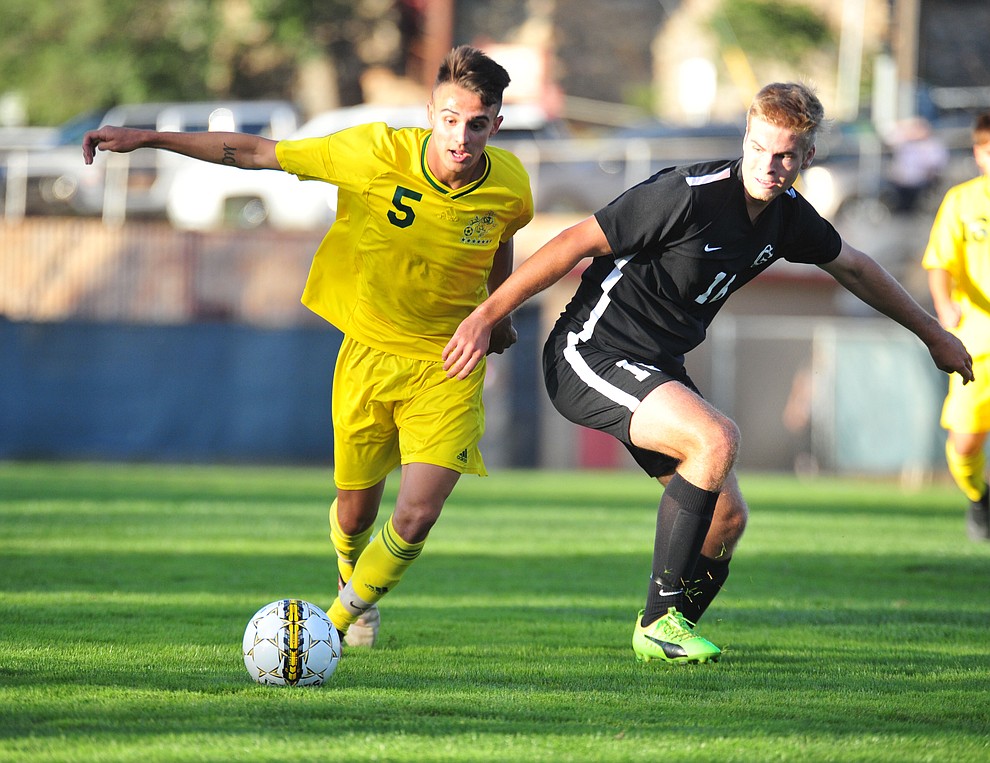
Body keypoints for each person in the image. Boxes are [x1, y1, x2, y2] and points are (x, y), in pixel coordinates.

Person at [443, 82, 974, 665]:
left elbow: (855, 267)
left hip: (656, 366)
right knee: (716, 437)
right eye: (759, 149)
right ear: (745, 139)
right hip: (589, 351)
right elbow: (571, 242)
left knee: (726, 518)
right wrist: (487, 315)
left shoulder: (789, 218)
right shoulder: (687, 194)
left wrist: (935, 334)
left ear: (807, 158)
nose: (769, 167)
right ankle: (658, 621)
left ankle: (669, 636)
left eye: (785, 157)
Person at [83, 45, 535, 647]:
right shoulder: (373, 151)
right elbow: (256, 153)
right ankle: (352, 575)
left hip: (448, 364)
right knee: (354, 514)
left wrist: (495, 312)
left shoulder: (510, 183)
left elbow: (499, 236)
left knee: (418, 513)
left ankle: (332, 623)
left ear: (495, 125)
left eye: (477, 123)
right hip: (369, 354)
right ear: (430, 111)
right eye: (449, 118)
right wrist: (145, 137)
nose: (461, 136)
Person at [922, 112, 990, 541]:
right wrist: (945, 308)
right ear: (978, 152)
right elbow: (939, 262)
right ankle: (978, 497)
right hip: (978, 342)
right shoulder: (962, 202)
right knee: (965, 444)